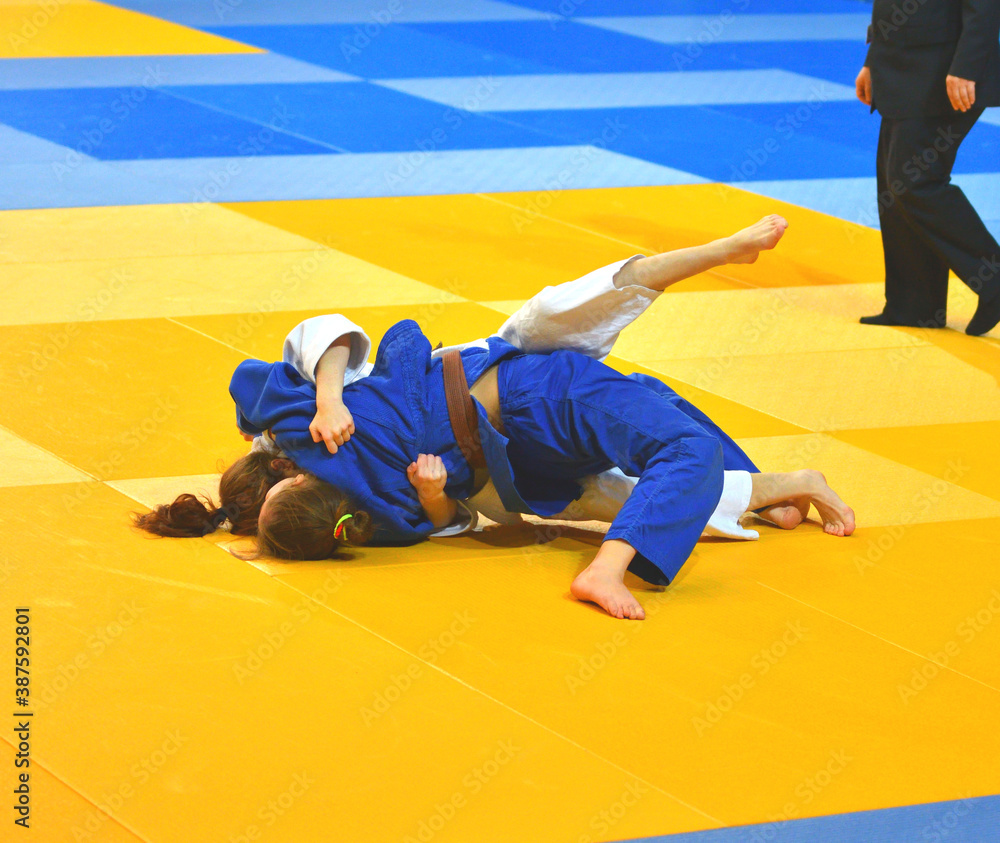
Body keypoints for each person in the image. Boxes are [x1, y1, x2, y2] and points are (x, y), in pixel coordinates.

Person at [229, 220, 855, 621]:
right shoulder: (371, 520)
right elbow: (452, 523)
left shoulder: (302, 423)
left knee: (622, 363)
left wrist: (330, 399)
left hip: (504, 399)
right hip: (528, 421)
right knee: (676, 444)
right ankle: (610, 567)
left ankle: (773, 487)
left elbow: (324, 336)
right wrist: (433, 497)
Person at [855, 0, 1000, 335]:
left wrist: (967, 66)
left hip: (946, 66)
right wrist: (874, 59)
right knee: (894, 186)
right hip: (901, 64)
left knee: (913, 181)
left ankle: (993, 278)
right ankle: (915, 305)